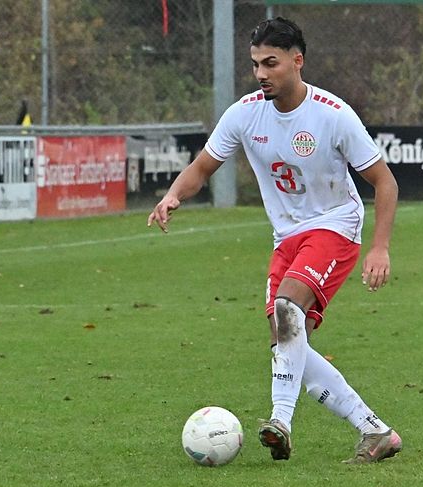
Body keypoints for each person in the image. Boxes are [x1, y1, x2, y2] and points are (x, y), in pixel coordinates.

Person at [148, 17, 402, 464]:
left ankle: (280, 421)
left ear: (297, 61)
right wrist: (173, 195)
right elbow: (202, 167)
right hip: (286, 237)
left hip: (334, 226)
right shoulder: (244, 113)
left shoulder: (333, 114)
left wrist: (379, 247)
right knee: (288, 344)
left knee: (288, 312)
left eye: (271, 63)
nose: (261, 74)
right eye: (255, 65)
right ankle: (374, 430)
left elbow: (384, 182)